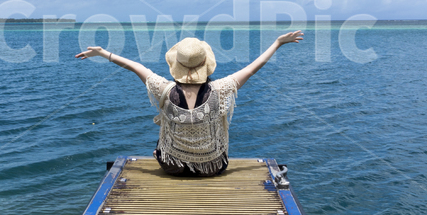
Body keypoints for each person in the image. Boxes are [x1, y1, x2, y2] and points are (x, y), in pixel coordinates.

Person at [75, 30, 304, 177]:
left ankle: (167, 153)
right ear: (205, 63)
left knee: (163, 134)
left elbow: (135, 66)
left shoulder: (163, 89)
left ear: (177, 64)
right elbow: (253, 68)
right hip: (212, 167)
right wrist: (277, 43)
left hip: (172, 166)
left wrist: (104, 53)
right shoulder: (220, 89)